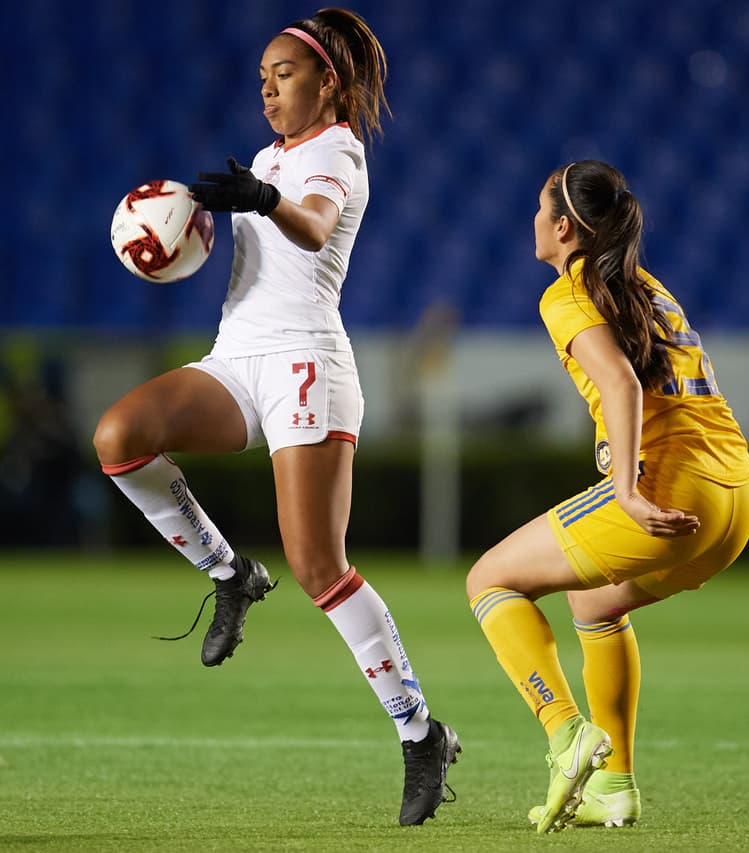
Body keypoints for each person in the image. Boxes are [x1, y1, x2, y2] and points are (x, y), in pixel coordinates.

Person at [92, 8, 459, 826]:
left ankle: (421, 734)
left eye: (284, 73)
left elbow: (316, 224)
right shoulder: (265, 155)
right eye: (261, 76)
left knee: (321, 568)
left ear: (328, 81)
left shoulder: (337, 152)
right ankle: (229, 573)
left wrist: (262, 199)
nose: (267, 87)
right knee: (119, 436)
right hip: (237, 358)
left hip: (306, 367)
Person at [465, 160, 749, 833]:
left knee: (489, 580)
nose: (533, 221)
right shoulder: (646, 287)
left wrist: (623, 488)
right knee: (594, 599)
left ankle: (567, 733)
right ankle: (615, 788)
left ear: (564, 227)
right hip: (735, 494)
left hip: (670, 490)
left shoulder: (566, 293)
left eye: (540, 210)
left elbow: (622, 385)